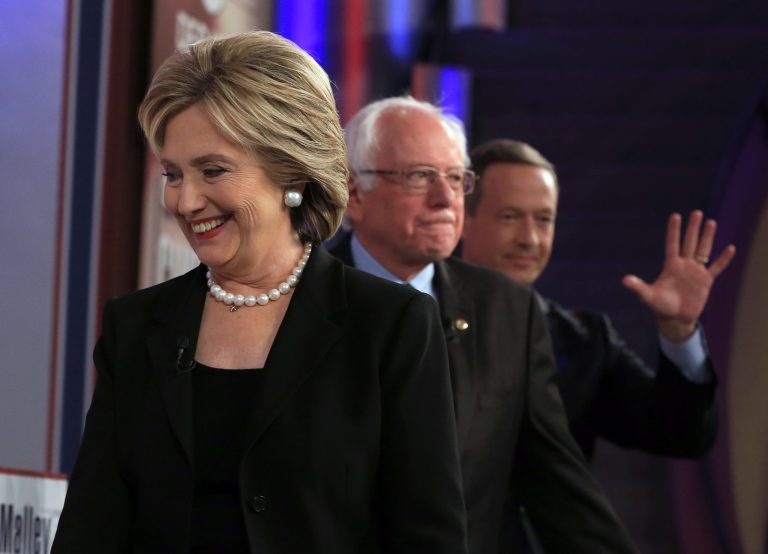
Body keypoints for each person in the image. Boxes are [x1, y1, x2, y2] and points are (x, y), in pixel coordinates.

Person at [52, 32, 468, 554]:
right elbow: (91, 530)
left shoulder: (390, 323)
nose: (185, 200)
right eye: (173, 174)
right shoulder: (137, 326)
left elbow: (427, 538)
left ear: (291, 170)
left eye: (213, 170)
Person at [330, 95, 640, 554]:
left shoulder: (508, 309)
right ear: (355, 194)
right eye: (419, 177)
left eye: (456, 179)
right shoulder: (296, 298)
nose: (444, 198)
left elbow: (556, 480)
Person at [461, 138, 736, 459]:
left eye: (543, 219)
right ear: (463, 219)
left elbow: (682, 435)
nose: (530, 239)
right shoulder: (419, 321)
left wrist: (679, 332)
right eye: (509, 217)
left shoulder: (585, 342)